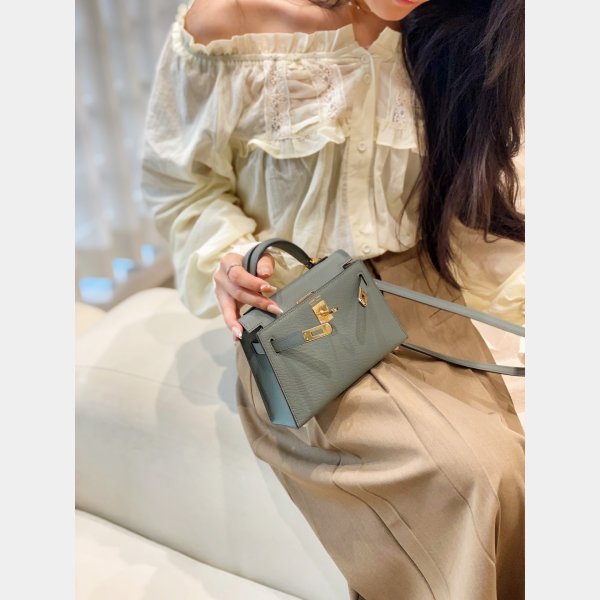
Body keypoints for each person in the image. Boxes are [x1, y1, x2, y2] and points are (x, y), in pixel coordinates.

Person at [141, 0, 525, 598]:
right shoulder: (229, 23)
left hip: (420, 288)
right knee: (474, 476)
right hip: (296, 308)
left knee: (517, 469)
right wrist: (231, 257)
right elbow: (181, 186)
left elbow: (473, 196)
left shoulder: (465, 26)